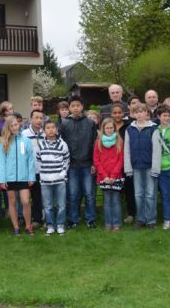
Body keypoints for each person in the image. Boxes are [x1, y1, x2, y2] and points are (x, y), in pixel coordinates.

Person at [59, 96, 98, 229]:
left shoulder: (90, 123)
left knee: (89, 194)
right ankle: (73, 219)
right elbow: (61, 145)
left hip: (87, 164)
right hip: (72, 165)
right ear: (70, 108)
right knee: (73, 194)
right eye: (73, 106)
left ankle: (90, 219)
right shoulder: (64, 124)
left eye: (78, 105)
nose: (75, 108)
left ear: (82, 107)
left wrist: (94, 163)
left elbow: (94, 144)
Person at [123, 102, 161, 229]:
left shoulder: (153, 128)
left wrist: (156, 168)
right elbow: (127, 149)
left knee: (150, 194)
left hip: (150, 166)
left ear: (146, 113)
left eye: (142, 111)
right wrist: (128, 168)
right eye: (137, 112)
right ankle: (140, 219)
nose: (139, 114)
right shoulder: (130, 129)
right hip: (135, 167)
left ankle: (151, 220)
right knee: (138, 194)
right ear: (133, 114)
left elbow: (157, 150)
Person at [0, 116, 36, 235]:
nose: (14, 127)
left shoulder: (26, 140)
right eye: (11, 125)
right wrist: (2, 179)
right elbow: (2, 162)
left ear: (19, 125)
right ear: (8, 127)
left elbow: (30, 160)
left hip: (24, 177)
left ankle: (28, 226)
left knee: (25, 201)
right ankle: (16, 227)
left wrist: (31, 177)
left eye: (16, 125)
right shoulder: (3, 142)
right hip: (9, 177)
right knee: (12, 202)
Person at [36, 121, 70, 235]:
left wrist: (63, 174)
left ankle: (60, 225)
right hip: (45, 181)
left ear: (56, 130)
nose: (50, 130)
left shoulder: (62, 144)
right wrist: (42, 175)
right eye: (48, 128)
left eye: (53, 127)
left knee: (61, 205)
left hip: (59, 180)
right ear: (44, 130)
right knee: (48, 206)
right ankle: (50, 225)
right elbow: (38, 161)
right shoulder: (40, 145)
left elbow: (66, 160)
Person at [93, 118, 125, 232]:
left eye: (111, 128)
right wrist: (105, 176)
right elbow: (96, 160)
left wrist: (113, 175)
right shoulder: (98, 142)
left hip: (116, 176)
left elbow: (121, 160)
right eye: (107, 128)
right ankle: (108, 223)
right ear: (103, 129)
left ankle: (116, 223)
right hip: (104, 177)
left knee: (116, 201)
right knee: (107, 202)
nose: (109, 130)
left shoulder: (119, 141)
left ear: (114, 128)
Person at [112, 104, 136, 224]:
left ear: (123, 114)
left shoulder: (129, 127)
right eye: (115, 113)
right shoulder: (109, 127)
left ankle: (131, 213)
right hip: (113, 163)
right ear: (111, 114)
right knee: (115, 190)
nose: (117, 115)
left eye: (119, 112)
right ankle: (115, 215)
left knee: (129, 189)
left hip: (127, 162)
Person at [21, 109, 46, 228]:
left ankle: (40, 219)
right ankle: (29, 218)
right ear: (31, 119)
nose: (39, 120)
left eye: (41, 118)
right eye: (36, 118)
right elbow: (21, 152)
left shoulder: (46, 133)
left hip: (43, 170)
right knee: (28, 197)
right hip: (28, 171)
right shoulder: (24, 134)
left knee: (40, 196)